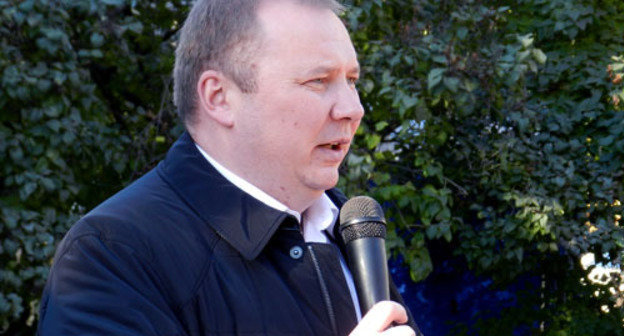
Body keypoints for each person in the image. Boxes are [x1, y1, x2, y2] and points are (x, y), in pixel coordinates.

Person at [37, 0, 423, 335]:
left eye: (351, 80)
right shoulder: (113, 254)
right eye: (318, 81)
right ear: (219, 98)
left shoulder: (347, 228)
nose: (352, 109)